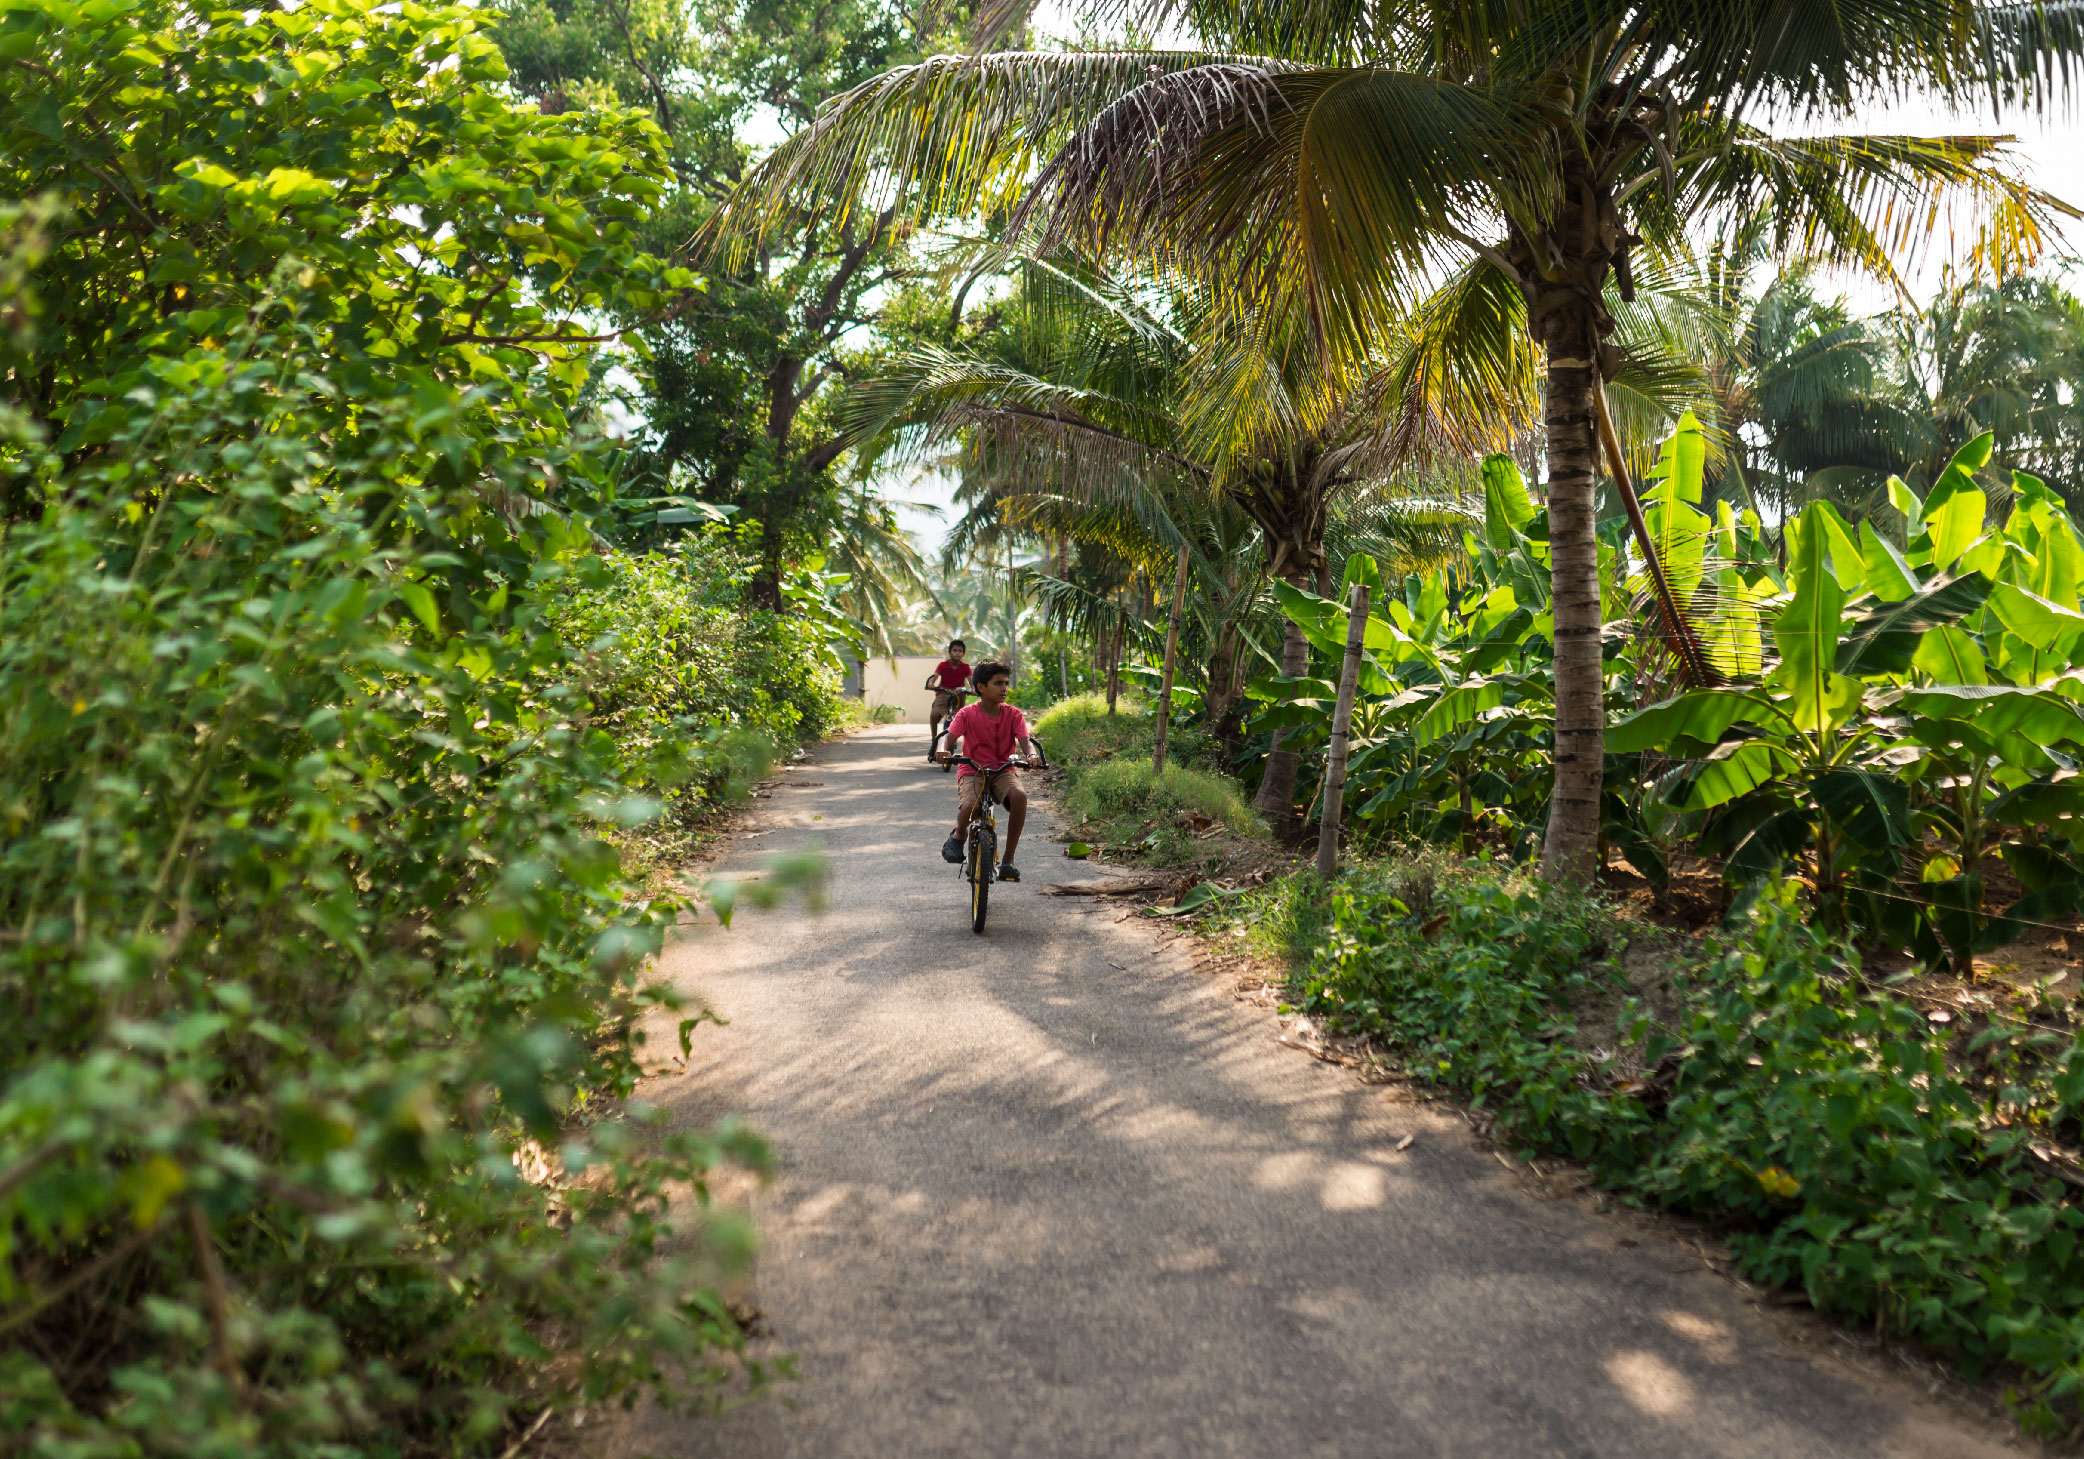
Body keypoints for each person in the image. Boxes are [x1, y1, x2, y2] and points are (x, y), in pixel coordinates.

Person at [936, 662, 1030, 881]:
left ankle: (1008, 860)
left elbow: (1026, 742)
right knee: (972, 806)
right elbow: (948, 738)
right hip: (973, 769)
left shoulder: (1014, 714)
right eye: (998, 683)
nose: (1004, 688)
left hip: (1003, 769)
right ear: (981, 687)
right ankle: (960, 834)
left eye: (1006, 683)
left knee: (1019, 796)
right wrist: (942, 750)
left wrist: (1032, 755)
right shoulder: (967, 714)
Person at [924, 639, 972, 764]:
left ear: (963, 653)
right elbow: (934, 678)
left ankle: (964, 745)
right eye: (954, 650)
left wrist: (972, 689)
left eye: (960, 651)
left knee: (961, 718)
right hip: (943, 694)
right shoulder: (942, 665)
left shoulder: (965, 667)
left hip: (959, 695)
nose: (957, 653)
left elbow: (971, 682)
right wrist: (931, 683)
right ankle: (934, 740)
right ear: (950, 652)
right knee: (934, 715)